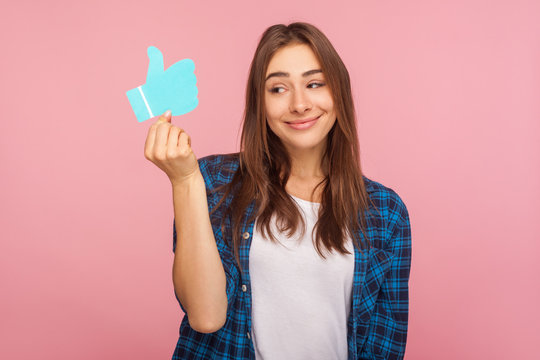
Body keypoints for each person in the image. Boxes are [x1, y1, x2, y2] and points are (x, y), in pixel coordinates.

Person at [144, 22, 411, 360]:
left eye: (314, 84)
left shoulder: (386, 212)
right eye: (278, 89)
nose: (299, 104)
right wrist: (184, 181)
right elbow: (206, 316)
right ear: (260, 103)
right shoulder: (213, 183)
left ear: (339, 94)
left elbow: (383, 347)